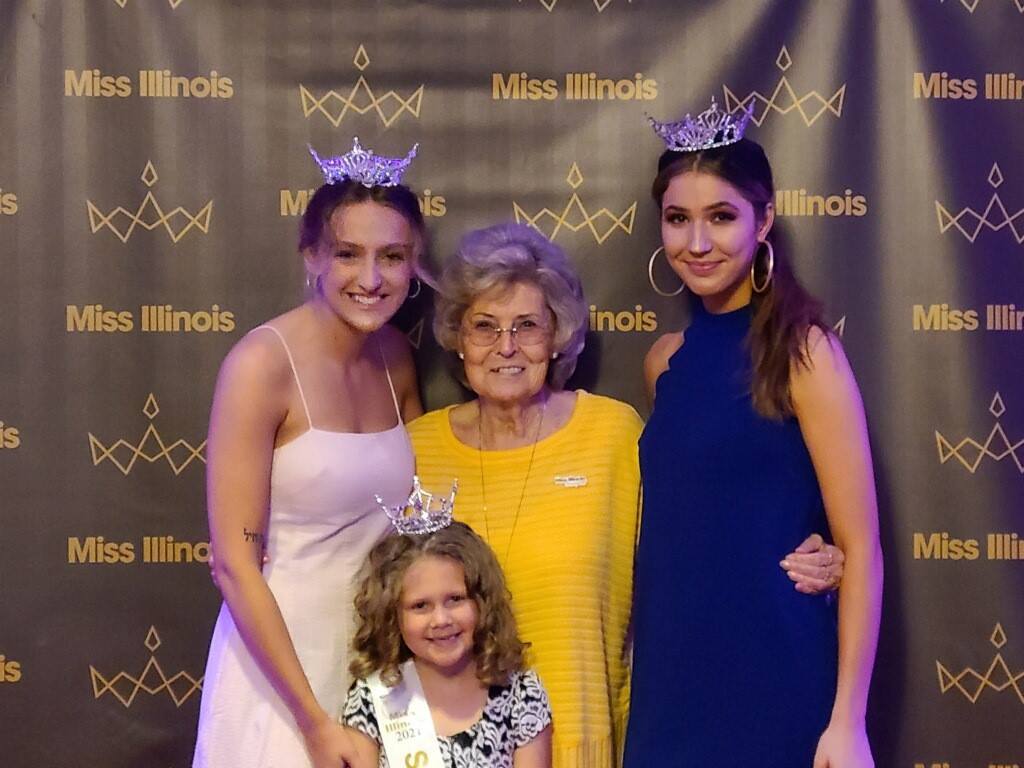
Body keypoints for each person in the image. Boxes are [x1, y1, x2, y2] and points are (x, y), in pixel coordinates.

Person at [407, 222, 846, 768]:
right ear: (456, 336)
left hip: (582, 746)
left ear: (559, 335)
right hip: (445, 751)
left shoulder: (613, 434)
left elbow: (702, 526)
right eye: (484, 327)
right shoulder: (417, 450)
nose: (507, 347)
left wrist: (824, 557)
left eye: (527, 325)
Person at [624, 101, 883, 768]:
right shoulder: (664, 362)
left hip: (776, 671)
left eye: (722, 217)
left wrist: (848, 722)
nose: (698, 243)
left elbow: (861, 548)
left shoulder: (805, 353)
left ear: (763, 219)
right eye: (679, 219)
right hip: (670, 676)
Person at [193, 138, 426, 768]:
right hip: (281, 678)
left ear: (414, 266)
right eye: (349, 254)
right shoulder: (259, 365)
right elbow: (235, 566)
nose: (371, 279)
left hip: (381, 668)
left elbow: (416, 528)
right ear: (312, 257)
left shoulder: (396, 358)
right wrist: (314, 722)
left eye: (392, 257)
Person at [342, 518, 553, 767]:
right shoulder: (372, 699)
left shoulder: (521, 694)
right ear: (392, 615)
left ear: (482, 602)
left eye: (455, 599)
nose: (441, 619)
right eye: (420, 606)